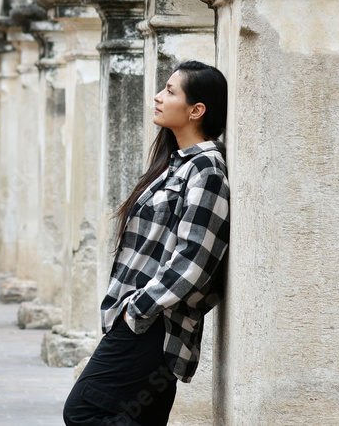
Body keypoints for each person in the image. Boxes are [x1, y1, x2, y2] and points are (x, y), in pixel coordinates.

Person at [62, 60, 230, 426]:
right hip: (145, 322)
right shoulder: (176, 164)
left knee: (82, 412)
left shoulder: (207, 170)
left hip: (156, 326)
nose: (157, 97)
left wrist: (136, 309)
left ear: (196, 110)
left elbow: (196, 260)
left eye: (170, 91)